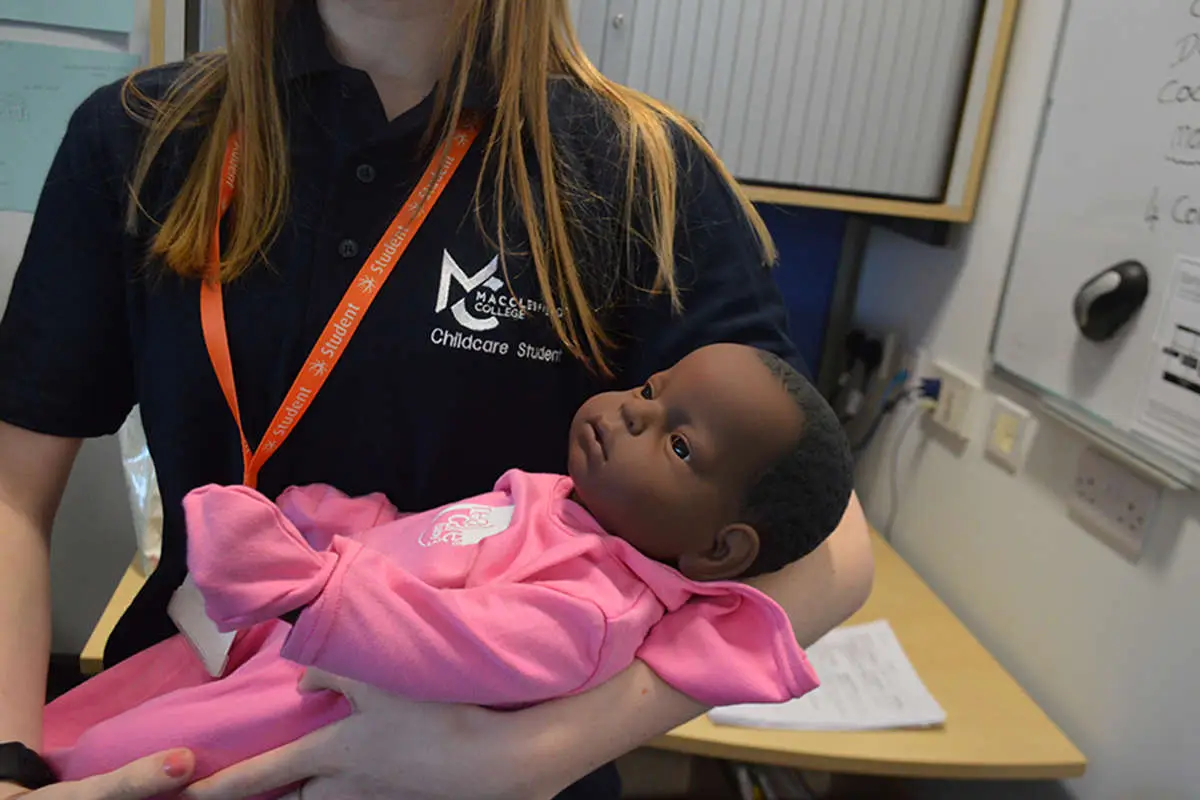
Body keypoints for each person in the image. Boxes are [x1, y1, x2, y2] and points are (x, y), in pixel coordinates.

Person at [0, 1, 874, 798]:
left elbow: (831, 553)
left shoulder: (638, 170)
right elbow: (12, 497)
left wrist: (532, 754)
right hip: (171, 735)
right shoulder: (142, 138)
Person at [42, 344, 854, 795]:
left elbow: (451, 639)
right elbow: (444, 539)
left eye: (678, 444)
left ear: (719, 551)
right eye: (651, 386)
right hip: (263, 649)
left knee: (123, 760)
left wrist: (317, 584)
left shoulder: (597, 609)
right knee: (72, 722)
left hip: (305, 708)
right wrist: (346, 522)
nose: (634, 411)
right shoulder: (561, 500)